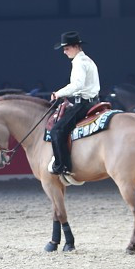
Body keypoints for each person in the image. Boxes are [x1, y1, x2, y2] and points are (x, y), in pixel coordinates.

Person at [48, 31, 100, 176]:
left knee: (56, 130)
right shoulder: (88, 60)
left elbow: (77, 85)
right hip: (93, 101)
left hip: (83, 104)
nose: (64, 52)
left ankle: (62, 165)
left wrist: (58, 93)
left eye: (66, 48)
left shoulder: (79, 62)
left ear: (76, 46)